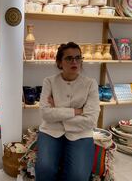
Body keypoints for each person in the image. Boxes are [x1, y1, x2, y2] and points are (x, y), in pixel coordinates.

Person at [35, 42, 100, 181]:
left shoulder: (90, 84)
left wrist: (57, 111)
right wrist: (77, 111)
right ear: (59, 62)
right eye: (69, 58)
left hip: (81, 133)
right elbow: (45, 114)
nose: (74, 62)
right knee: (44, 168)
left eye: (78, 58)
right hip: (50, 130)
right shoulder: (49, 82)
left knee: (79, 176)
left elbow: (91, 120)